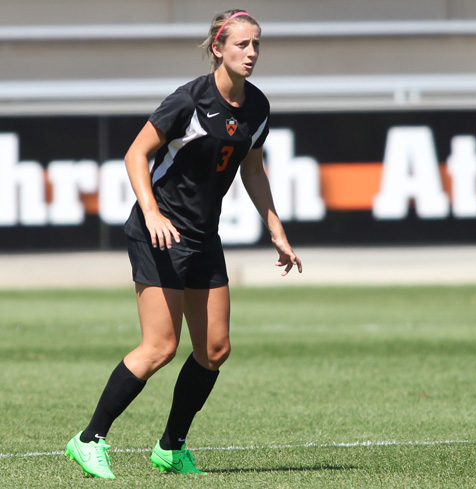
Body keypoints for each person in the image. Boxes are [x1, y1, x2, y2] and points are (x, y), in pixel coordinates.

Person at [65, 9, 302, 479]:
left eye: (256, 44)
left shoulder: (257, 107)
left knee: (214, 350)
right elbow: (136, 153)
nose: (251, 53)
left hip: (203, 236)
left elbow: (252, 168)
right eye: (241, 45)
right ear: (218, 49)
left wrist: (275, 228)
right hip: (160, 231)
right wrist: (152, 212)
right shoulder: (189, 100)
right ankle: (88, 439)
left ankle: (171, 447)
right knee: (160, 347)